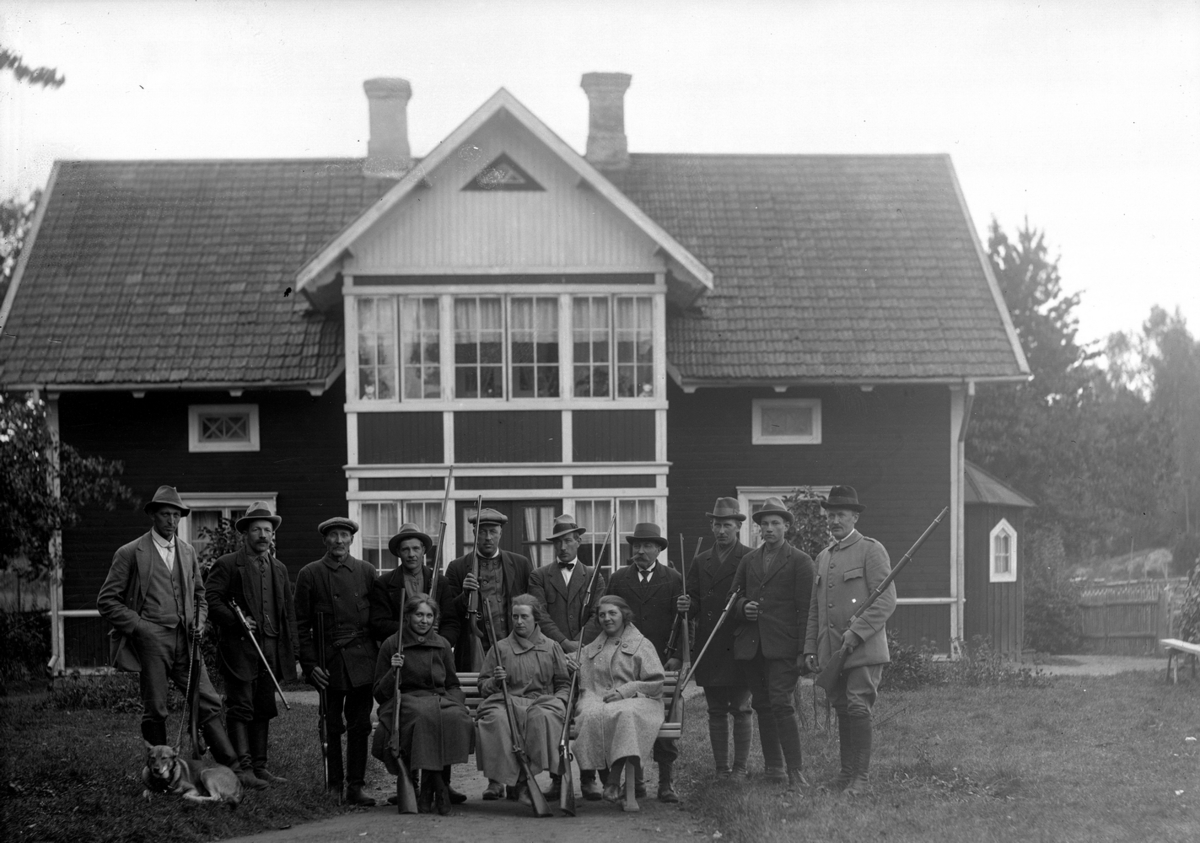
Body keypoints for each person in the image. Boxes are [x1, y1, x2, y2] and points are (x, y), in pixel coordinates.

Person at [97, 485, 263, 790]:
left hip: (187, 640)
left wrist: (199, 622)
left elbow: (200, 595)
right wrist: (140, 627)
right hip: (151, 641)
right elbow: (106, 601)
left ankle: (235, 770)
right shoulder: (131, 552)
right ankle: (161, 777)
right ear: (152, 515)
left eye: (176, 514)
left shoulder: (187, 551)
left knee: (209, 701)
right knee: (156, 707)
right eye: (165, 514)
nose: (171, 520)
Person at [803, 486, 895, 797]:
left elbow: (886, 601)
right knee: (842, 708)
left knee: (858, 707)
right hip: (833, 651)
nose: (834, 520)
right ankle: (846, 773)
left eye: (840, 514)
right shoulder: (823, 557)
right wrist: (811, 648)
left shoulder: (871, 550)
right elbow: (816, 609)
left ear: (855, 517)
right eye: (830, 515)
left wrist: (857, 632)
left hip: (865, 648)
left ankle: (862, 778)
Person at [369, 522, 466, 805]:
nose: (411, 554)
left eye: (416, 548)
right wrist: (409, 638)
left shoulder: (440, 581)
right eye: (405, 549)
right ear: (398, 553)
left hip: (435, 670)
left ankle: (441, 784)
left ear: (424, 550)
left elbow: (449, 620)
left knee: (449, 717)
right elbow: (378, 623)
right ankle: (411, 783)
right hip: (406, 665)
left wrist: (438, 641)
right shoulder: (384, 583)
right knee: (420, 719)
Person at [205, 500, 298, 787]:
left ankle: (260, 766)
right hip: (239, 648)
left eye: (267, 530)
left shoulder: (279, 568)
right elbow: (211, 600)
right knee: (241, 706)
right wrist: (237, 620)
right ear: (245, 533)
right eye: (256, 529)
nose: (262, 535)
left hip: (270, 647)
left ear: (273, 535)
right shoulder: (229, 564)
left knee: (263, 705)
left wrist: (291, 652)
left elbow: (288, 613)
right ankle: (241, 768)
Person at [729, 496, 815, 787]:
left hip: (784, 646)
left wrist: (805, 650)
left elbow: (807, 609)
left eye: (775, 523)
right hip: (753, 646)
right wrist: (744, 607)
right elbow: (733, 598)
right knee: (763, 704)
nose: (768, 528)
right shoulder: (748, 560)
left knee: (781, 703)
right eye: (764, 523)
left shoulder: (801, 561)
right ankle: (774, 768)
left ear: (786, 526)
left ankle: (796, 771)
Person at [295, 516, 380, 806]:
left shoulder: (367, 571)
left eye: (344, 535)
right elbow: (300, 625)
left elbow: (378, 620)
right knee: (330, 725)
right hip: (328, 661)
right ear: (325, 541)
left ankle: (355, 786)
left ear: (352, 540)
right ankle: (333, 785)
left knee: (360, 725)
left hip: (362, 660)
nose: (339, 541)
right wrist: (309, 665)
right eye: (333, 536)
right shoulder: (311, 574)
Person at [602, 522, 684, 802]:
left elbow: (685, 621)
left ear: (659, 549)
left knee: (666, 716)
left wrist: (678, 655)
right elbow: (606, 619)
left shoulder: (673, 578)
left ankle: (665, 782)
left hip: (661, 660)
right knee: (626, 714)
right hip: (625, 662)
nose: (640, 550)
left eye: (647, 545)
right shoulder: (619, 578)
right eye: (636, 545)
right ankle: (633, 783)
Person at [371, 593, 474, 814]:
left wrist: (456, 703)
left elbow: (453, 684)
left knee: (454, 717)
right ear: (408, 616)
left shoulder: (442, 644)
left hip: (438, 698)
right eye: (419, 614)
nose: (424, 620)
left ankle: (430, 788)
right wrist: (393, 671)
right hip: (404, 701)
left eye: (429, 616)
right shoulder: (393, 643)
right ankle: (437, 787)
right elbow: (380, 693)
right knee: (425, 715)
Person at [527, 513, 606, 800]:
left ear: (578, 542)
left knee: (587, 712)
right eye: (558, 542)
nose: (563, 547)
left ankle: (588, 778)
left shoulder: (595, 576)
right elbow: (540, 615)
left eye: (568, 541)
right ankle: (558, 779)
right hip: (551, 654)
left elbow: (599, 613)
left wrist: (580, 644)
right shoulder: (539, 576)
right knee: (555, 712)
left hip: (588, 655)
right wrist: (562, 643)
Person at [679, 497, 753, 779]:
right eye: (717, 525)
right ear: (711, 526)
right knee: (716, 709)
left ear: (738, 527)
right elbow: (696, 600)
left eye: (727, 525)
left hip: (739, 643)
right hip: (709, 646)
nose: (722, 531)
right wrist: (687, 604)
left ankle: (741, 768)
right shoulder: (701, 560)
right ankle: (722, 768)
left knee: (742, 708)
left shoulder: (749, 558)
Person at [572, 594, 666, 813]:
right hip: (602, 701)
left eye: (612, 613)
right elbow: (580, 665)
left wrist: (627, 690)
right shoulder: (594, 646)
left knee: (625, 715)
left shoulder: (641, 643)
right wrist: (567, 660)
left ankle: (613, 780)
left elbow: (657, 683)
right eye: (602, 614)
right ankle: (609, 784)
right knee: (590, 714)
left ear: (624, 615)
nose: (607, 618)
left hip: (640, 702)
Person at [475, 594, 571, 804]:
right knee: (497, 720)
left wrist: (560, 701)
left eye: (524, 617)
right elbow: (483, 686)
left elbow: (564, 684)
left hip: (542, 702)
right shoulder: (500, 648)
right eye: (515, 616)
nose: (518, 621)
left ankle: (537, 780)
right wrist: (495, 681)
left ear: (535, 618)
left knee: (543, 718)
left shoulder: (551, 646)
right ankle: (515, 781)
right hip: (506, 702)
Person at [441, 508, 532, 672]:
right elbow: (448, 613)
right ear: (474, 533)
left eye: (493, 532)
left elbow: (532, 607)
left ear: (501, 533)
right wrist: (465, 595)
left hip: (515, 647)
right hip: (474, 650)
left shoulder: (520, 564)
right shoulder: (457, 567)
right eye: (482, 532)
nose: (488, 538)